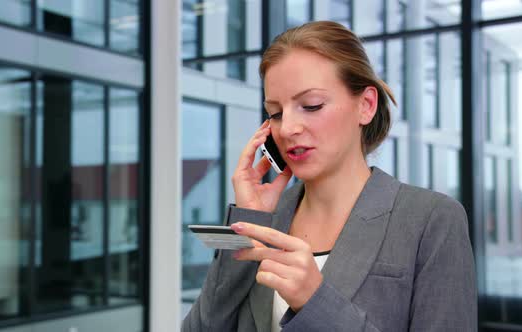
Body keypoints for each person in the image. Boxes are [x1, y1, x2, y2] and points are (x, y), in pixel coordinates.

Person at [182, 21, 476, 332]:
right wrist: (249, 220)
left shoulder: (430, 219)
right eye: (276, 113)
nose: (289, 128)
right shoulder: (268, 219)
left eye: (311, 105)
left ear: (366, 105)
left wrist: (316, 303)